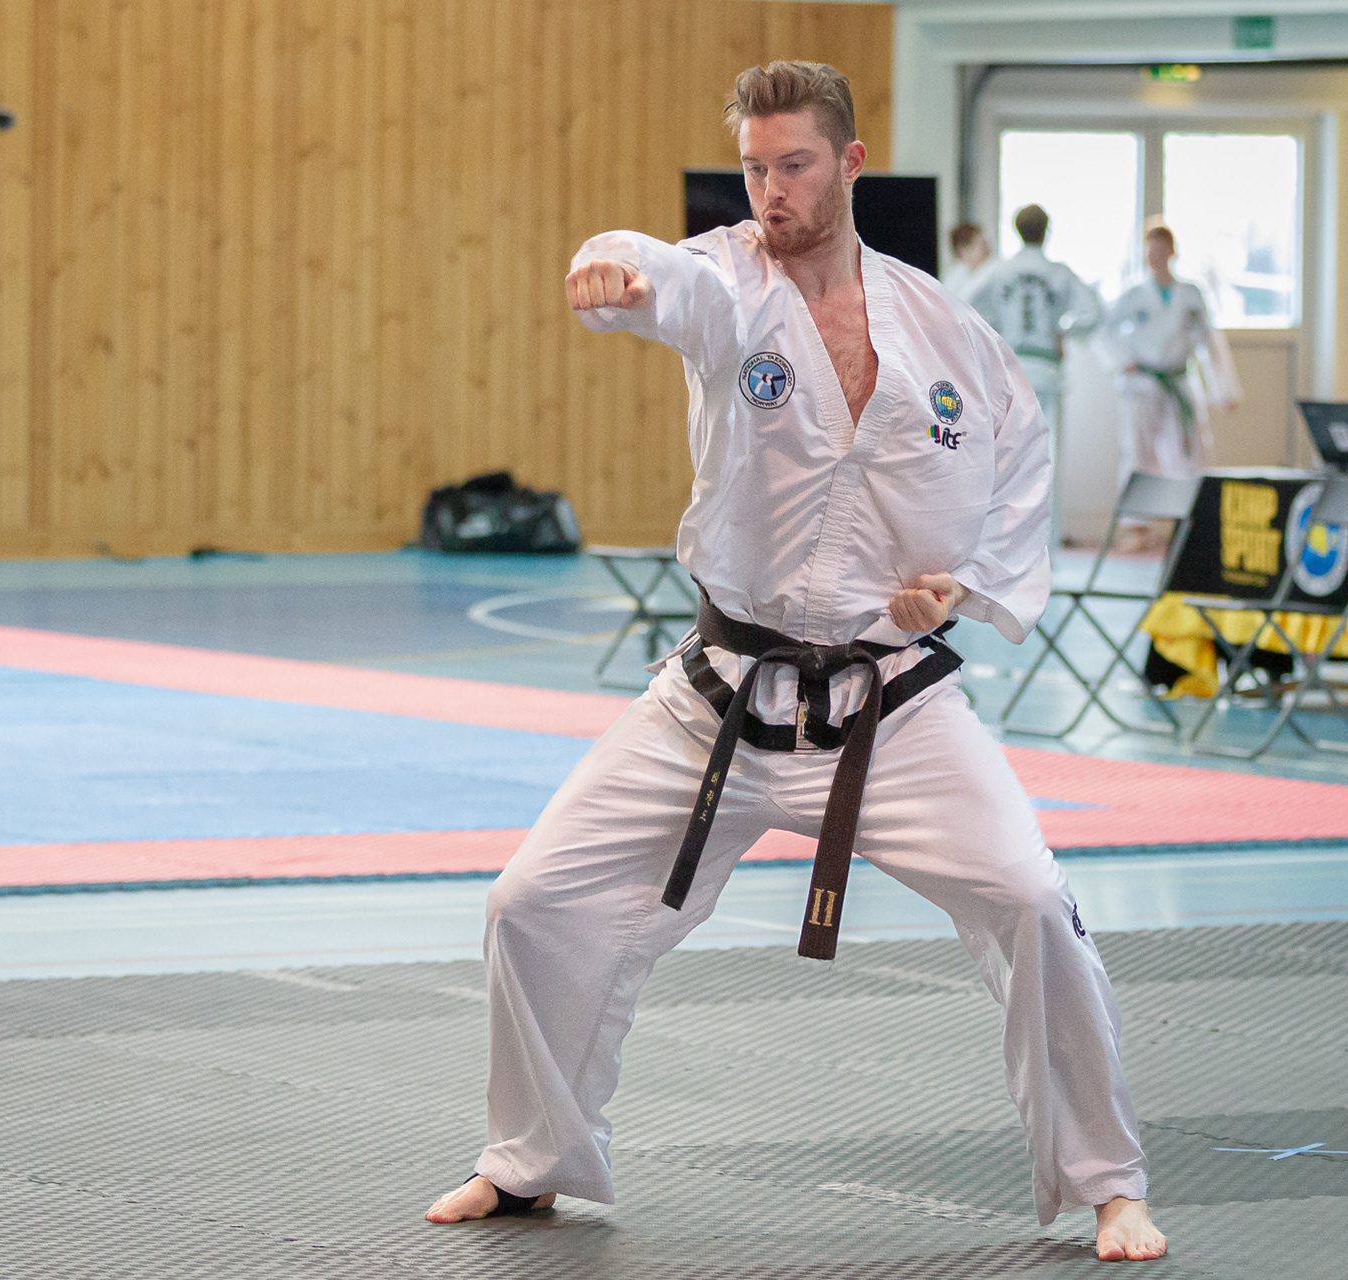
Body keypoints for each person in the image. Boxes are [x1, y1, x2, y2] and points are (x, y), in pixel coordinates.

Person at [424, 60, 1167, 1263]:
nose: (771, 190)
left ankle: (1109, 1182)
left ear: (851, 162)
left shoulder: (945, 327)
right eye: (755, 168)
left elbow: (1018, 459)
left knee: (1033, 902)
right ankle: (529, 1162)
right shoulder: (729, 287)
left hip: (890, 704)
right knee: (531, 902)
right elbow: (657, 274)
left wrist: (960, 586)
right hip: (720, 697)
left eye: (795, 165)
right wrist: (610, 267)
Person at [967, 204, 1103, 548]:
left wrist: (994, 334)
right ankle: (1045, 543)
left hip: (1010, 371)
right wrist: (1063, 330)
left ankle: (1006, 542)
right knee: (1046, 458)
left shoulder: (1000, 271)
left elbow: (964, 307)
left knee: (1008, 458)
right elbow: (1094, 312)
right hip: (1047, 370)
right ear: (1047, 232)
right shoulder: (1058, 273)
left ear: (1017, 230)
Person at [1099, 224, 1240, 496]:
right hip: (1143, 382)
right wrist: (1122, 360)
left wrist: (1223, 391)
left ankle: (1186, 514)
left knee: (1190, 451)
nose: (1156, 257)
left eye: (1161, 250)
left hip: (1179, 379)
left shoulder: (1191, 294)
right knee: (1138, 454)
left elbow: (1209, 343)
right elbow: (1104, 330)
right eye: (1151, 252)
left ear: (1172, 252)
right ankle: (1137, 518)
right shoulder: (1134, 295)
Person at [943, 221, 991, 297]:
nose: (988, 251)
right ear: (963, 250)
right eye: (982, 246)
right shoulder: (954, 279)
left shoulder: (989, 270)